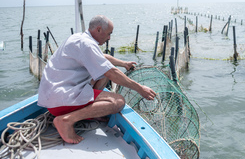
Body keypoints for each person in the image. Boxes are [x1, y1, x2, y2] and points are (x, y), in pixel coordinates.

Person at [38, 15, 156, 144]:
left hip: (52, 97)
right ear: (99, 29)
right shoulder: (87, 44)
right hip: (61, 102)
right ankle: (66, 120)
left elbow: (102, 57)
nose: (109, 38)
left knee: (103, 71)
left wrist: (123, 63)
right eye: (109, 33)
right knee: (118, 102)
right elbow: (112, 73)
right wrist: (140, 89)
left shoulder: (79, 38)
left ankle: (92, 111)